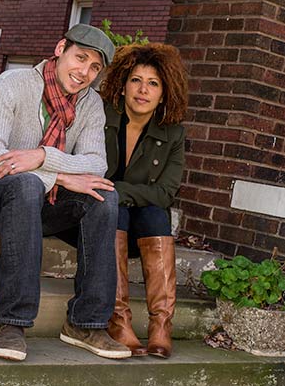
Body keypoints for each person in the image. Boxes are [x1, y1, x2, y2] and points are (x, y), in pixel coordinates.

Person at [0, 24, 132, 362]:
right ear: (61, 48)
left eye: (94, 68)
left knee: (104, 197)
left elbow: (96, 165)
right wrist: (60, 175)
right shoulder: (13, 84)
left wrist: (43, 156)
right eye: (80, 58)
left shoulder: (90, 105)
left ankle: (86, 323)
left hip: (31, 203)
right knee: (27, 184)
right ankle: (12, 323)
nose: (84, 73)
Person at [99, 43, 188, 359]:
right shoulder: (102, 116)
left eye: (153, 83)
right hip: (103, 220)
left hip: (144, 228)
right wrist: (115, 195)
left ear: (163, 94)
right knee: (114, 208)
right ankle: (118, 318)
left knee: (155, 213)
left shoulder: (173, 134)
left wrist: (115, 189)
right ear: (122, 86)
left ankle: (161, 325)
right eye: (136, 80)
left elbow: (165, 194)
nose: (143, 90)